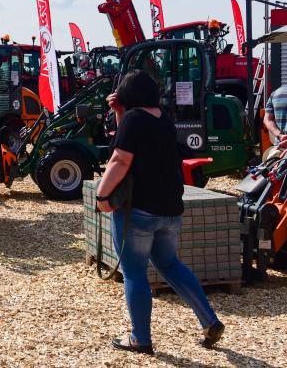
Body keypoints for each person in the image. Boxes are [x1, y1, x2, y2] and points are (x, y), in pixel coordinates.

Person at [95, 70, 224, 355]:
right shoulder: (163, 120)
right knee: (170, 264)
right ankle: (209, 320)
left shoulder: (134, 119)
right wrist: (120, 113)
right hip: (170, 211)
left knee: (134, 273)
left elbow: (119, 158)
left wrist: (102, 195)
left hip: (139, 211)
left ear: (127, 93)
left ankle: (140, 338)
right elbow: (129, 143)